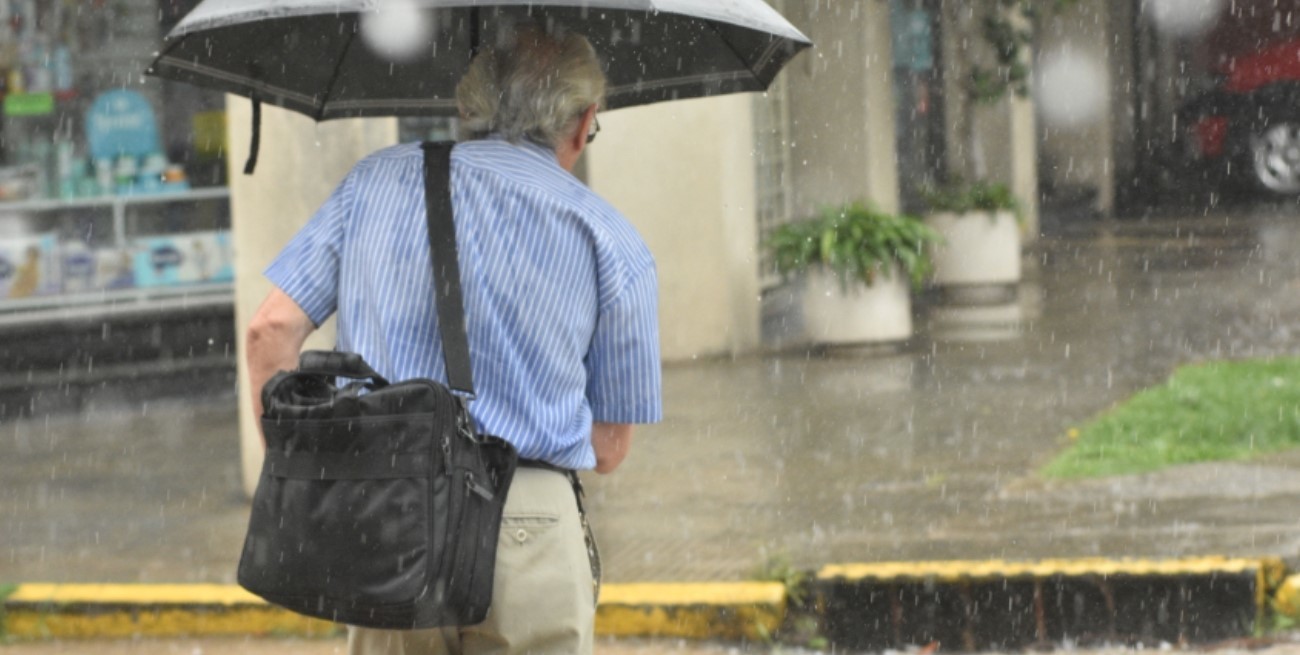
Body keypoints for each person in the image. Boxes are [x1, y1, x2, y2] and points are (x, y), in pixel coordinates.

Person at [244, 23, 662, 655]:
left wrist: (301, 469)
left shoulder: (373, 183)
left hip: (388, 508)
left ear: (467, 107)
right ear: (582, 123)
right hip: (530, 523)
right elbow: (607, 448)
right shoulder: (613, 239)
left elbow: (269, 329)